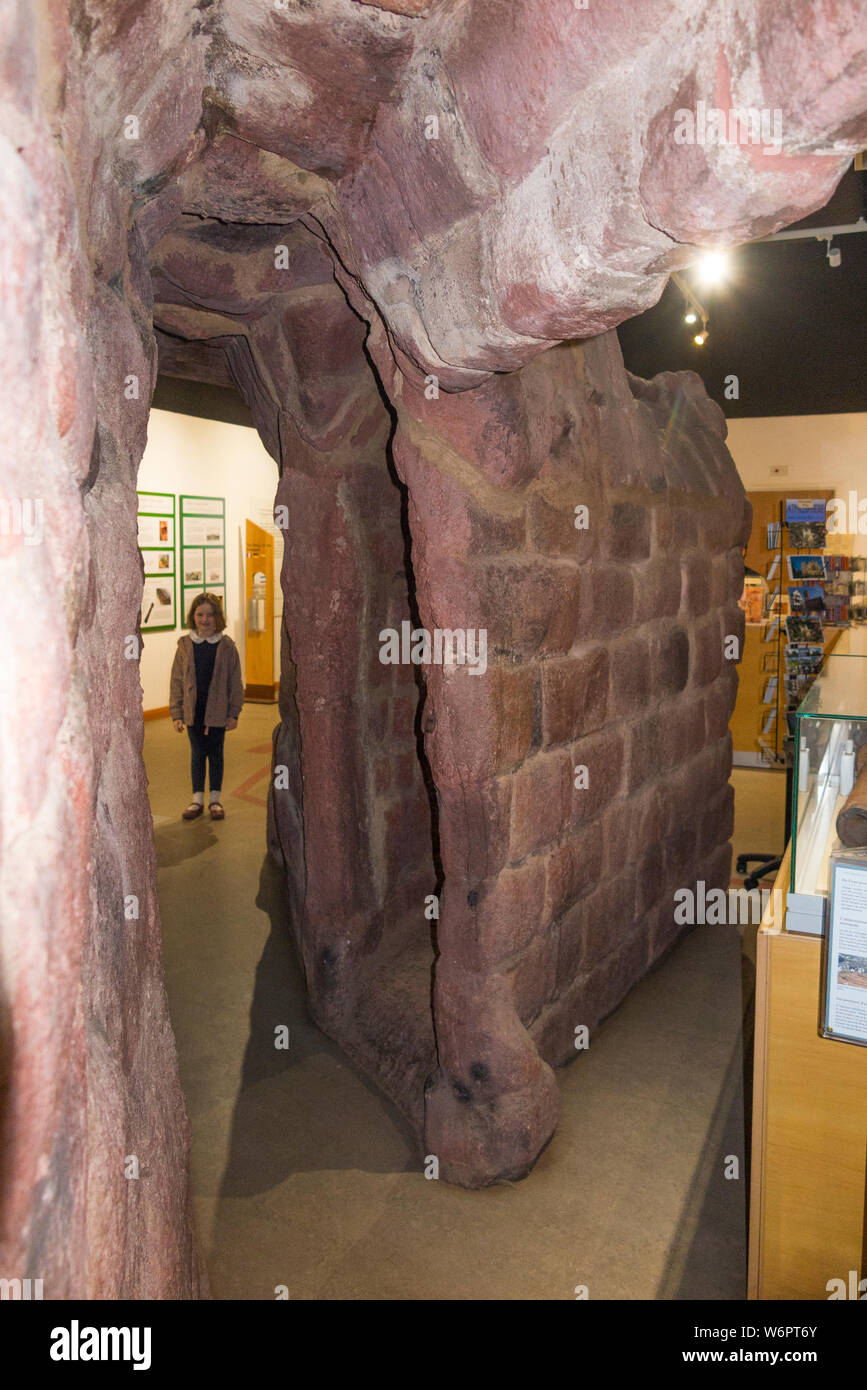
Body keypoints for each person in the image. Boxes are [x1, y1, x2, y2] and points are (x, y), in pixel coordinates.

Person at [169, 592, 243, 821]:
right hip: (194, 711)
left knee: (216, 754)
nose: (204, 619)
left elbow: (234, 681)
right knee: (197, 754)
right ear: (193, 616)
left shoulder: (227, 646)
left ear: (217, 617)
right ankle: (197, 799)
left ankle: (215, 799)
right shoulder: (185, 645)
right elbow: (177, 680)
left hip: (218, 712)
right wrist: (176, 712)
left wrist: (234, 712)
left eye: (210, 615)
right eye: (200, 614)